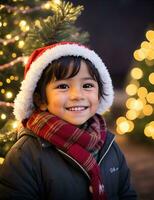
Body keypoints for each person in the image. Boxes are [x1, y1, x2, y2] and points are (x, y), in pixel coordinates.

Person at [0, 42, 137, 200]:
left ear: (100, 94)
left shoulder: (108, 145)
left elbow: (126, 194)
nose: (77, 95)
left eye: (87, 85)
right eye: (63, 86)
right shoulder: (25, 155)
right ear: (40, 100)